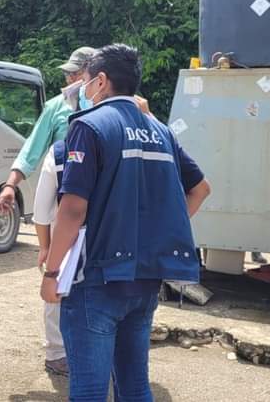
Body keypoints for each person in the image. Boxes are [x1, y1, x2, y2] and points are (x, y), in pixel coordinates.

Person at [41, 44, 202, 402]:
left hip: (97, 279)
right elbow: (200, 189)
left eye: (83, 81)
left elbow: (72, 209)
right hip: (145, 279)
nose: (80, 89)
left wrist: (51, 273)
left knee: (89, 390)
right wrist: (155, 231)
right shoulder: (160, 131)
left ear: (100, 81)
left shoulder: (88, 126)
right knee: (134, 386)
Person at [0, 46, 93, 375]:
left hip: (100, 209)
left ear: (94, 74)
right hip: (61, 204)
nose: (69, 78)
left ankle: (92, 346)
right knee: (58, 273)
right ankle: (56, 352)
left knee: (95, 283)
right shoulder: (56, 108)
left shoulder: (109, 105)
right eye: (68, 74)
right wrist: (11, 184)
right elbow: (33, 149)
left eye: (75, 73)